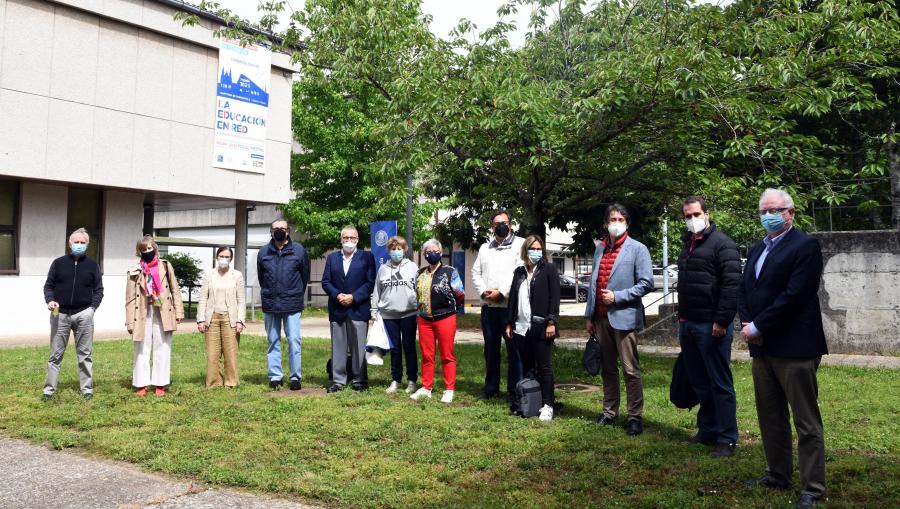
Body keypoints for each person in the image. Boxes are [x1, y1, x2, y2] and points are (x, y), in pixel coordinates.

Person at [738, 188, 828, 509]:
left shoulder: (805, 246)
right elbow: (745, 289)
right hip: (762, 348)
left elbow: (795, 295)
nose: (768, 216)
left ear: (790, 213)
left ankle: (813, 487)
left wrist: (759, 326)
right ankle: (777, 473)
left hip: (794, 346)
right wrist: (747, 323)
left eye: (774, 210)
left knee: (806, 420)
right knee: (770, 415)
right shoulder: (756, 248)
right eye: (763, 211)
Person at [676, 196, 742, 457]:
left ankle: (727, 437)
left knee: (719, 383)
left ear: (706, 214)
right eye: (688, 216)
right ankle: (707, 429)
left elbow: (732, 285)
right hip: (688, 323)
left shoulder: (723, 244)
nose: (692, 219)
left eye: (696, 214)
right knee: (700, 382)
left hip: (711, 325)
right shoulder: (687, 245)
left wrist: (721, 320)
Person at [584, 204, 653, 436]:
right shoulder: (600, 248)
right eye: (612, 219)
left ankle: (634, 417)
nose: (616, 223)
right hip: (601, 319)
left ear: (627, 223)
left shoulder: (638, 249)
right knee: (608, 370)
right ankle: (609, 412)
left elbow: (646, 283)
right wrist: (589, 316)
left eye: (620, 219)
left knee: (630, 370)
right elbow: (593, 284)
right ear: (606, 223)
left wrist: (618, 296)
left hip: (625, 317)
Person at [42, 228, 104, 401]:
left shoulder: (93, 265)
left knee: (85, 354)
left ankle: (87, 390)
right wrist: (50, 300)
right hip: (59, 314)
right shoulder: (58, 263)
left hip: (84, 314)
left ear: (87, 245)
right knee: (55, 355)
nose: (79, 245)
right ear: (70, 244)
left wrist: (91, 309)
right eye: (76, 242)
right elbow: (48, 286)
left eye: (82, 242)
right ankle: (49, 390)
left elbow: (99, 290)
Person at [472, 210, 525, 406]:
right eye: (496, 223)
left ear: (510, 224)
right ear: (492, 227)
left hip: (510, 307)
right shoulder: (484, 248)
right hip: (489, 307)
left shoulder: (521, 244)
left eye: (504, 222)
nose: (501, 226)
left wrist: (502, 292)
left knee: (515, 351)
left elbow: (520, 272)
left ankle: (515, 390)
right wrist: (484, 292)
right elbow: (476, 272)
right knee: (491, 350)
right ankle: (491, 388)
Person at [504, 235, 560, 421]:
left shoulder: (548, 269)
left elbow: (554, 298)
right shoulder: (519, 272)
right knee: (528, 367)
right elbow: (513, 299)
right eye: (532, 249)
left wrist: (551, 321)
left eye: (538, 249)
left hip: (542, 326)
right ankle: (533, 401)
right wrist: (509, 322)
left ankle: (548, 404)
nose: (536, 252)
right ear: (525, 251)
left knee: (544, 367)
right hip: (521, 327)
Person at [125, 235, 184, 397]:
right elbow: (129, 298)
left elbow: (175, 289)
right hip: (142, 312)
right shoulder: (134, 270)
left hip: (163, 310)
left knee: (163, 347)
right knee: (141, 348)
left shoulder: (165, 266)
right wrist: (129, 322)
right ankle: (141, 384)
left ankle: (160, 383)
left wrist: (179, 311)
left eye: (149, 248)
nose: (147, 251)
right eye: (143, 249)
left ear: (155, 249)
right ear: (139, 251)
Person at [257, 219, 310, 390]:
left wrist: (295, 294)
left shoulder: (299, 251)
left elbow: (304, 277)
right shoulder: (263, 252)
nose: (279, 231)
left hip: (292, 303)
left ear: (288, 231)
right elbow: (262, 278)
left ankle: (295, 377)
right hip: (270, 303)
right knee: (273, 340)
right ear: (271, 231)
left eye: (283, 228)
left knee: (294, 340)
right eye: (276, 228)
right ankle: (275, 377)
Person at [321, 225, 376, 393]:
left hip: (358, 308)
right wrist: (338, 295)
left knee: (358, 347)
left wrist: (353, 297)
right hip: (337, 309)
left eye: (352, 238)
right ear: (341, 239)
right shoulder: (332, 258)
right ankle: (338, 381)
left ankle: (360, 380)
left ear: (357, 239)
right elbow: (326, 282)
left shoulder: (367, 257)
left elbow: (370, 282)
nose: (349, 241)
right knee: (338, 347)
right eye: (346, 238)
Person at [410, 239, 465, 403]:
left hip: (445, 318)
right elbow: (416, 294)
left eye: (435, 251)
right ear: (424, 254)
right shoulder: (420, 273)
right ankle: (426, 387)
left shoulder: (450, 271)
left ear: (440, 253)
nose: (431, 254)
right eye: (428, 251)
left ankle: (449, 389)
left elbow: (460, 294)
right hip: (425, 320)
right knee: (427, 355)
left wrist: (450, 308)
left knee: (447, 355)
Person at [371, 235, 419, 394]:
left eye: (399, 249)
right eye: (393, 249)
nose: (396, 252)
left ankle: (412, 381)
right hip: (389, 315)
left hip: (409, 314)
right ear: (389, 251)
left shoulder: (412, 267)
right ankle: (396, 380)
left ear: (404, 250)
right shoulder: (383, 269)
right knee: (395, 349)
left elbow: (418, 288)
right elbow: (377, 291)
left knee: (409, 347)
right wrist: (374, 311)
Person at [197, 246, 246, 388]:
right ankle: (214, 382)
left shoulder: (237, 275)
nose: (224, 259)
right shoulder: (209, 275)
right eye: (221, 256)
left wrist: (240, 320)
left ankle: (231, 382)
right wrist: (201, 319)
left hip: (230, 319)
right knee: (213, 354)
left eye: (227, 257)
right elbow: (202, 298)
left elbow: (241, 300)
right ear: (216, 257)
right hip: (211, 318)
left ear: (231, 259)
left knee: (231, 353)